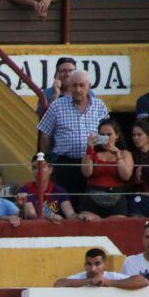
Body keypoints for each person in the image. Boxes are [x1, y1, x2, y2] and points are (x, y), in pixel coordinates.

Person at [37, 69, 109, 200]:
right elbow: (45, 136)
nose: (78, 89)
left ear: (89, 86)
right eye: (74, 85)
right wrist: (46, 163)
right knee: (65, 202)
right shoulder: (57, 105)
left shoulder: (100, 106)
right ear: (69, 86)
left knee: (89, 202)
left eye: (82, 85)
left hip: (92, 163)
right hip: (64, 164)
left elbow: (108, 134)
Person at [78, 118, 132, 220]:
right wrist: (90, 149)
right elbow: (86, 173)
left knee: (117, 226)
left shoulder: (125, 154)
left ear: (117, 136)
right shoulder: (92, 153)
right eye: (102, 135)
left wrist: (118, 157)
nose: (106, 138)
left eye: (109, 134)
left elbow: (126, 176)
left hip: (116, 198)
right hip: (92, 197)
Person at [54, 247, 148, 289]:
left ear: (105, 265)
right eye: (89, 264)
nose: (93, 268)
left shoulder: (112, 276)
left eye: (97, 264)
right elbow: (58, 284)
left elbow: (143, 281)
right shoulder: (80, 277)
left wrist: (109, 282)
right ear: (85, 266)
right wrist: (89, 281)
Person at [17, 156, 74, 223]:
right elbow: (31, 215)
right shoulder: (23, 190)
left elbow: (70, 215)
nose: (38, 171)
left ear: (50, 170)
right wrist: (49, 216)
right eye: (34, 168)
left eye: (42, 167)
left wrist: (81, 215)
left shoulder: (60, 191)